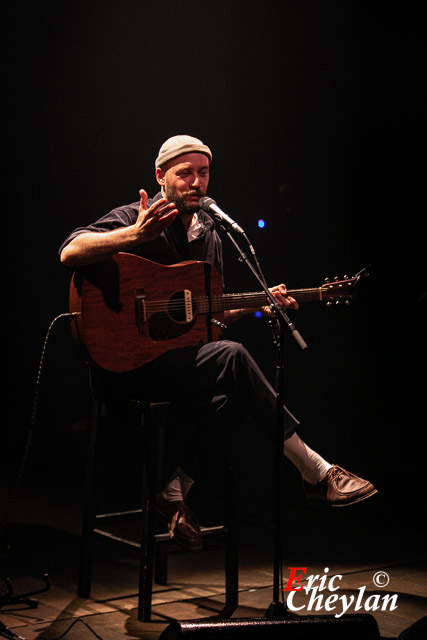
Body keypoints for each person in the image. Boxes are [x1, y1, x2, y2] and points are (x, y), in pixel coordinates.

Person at [59, 134, 378, 551]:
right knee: (232, 356)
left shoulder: (211, 233)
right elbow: (70, 252)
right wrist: (134, 236)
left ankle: (172, 494)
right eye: (185, 173)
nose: (196, 182)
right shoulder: (136, 217)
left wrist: (260, 303)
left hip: (177, 365)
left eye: (203, 173)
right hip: (124, 365)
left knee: (235, 395)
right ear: (161, 176)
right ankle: (316, 472)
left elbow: (208, 315)